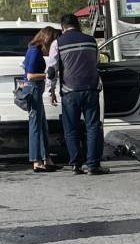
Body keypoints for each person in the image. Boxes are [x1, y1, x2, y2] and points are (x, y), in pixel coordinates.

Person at [46, 14, 108, 175]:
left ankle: (76, 164)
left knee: (71, 128)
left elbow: (52, 70)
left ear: (63, 28)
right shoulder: (91, 41)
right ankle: (93, 165)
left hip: (69, 92)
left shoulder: (57, 43)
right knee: (93, 127)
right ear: (78, 25)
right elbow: (96, 62)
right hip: (91, 89)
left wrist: (51, 91)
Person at [22, 26, 60, 173]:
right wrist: (47, 75)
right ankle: (36, 161)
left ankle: (46, 159)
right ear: (47, 39)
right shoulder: (34, 51)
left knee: (42, 125)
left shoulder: (34, 50)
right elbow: (30, 75)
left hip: (36, 89)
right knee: (36, 126)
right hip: (33, 89)